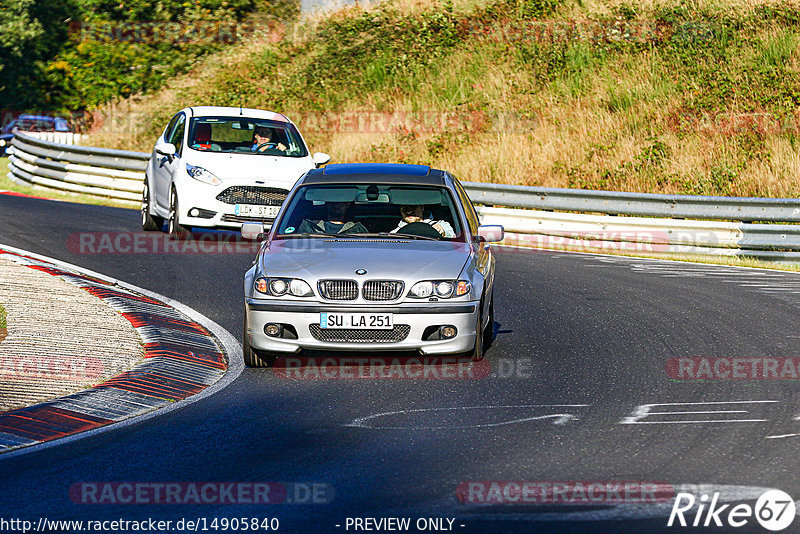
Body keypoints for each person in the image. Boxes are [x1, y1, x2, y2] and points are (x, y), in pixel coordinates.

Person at [297, 201, 368, 234]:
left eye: (340, 202)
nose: (335, 205)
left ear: (348, 204)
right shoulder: (308, 226)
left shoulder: (358, 230)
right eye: (332, 201)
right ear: (326, 203)